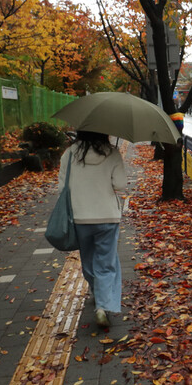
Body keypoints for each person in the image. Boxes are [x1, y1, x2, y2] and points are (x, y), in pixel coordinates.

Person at [58, 131, 128, 328]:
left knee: (88, 258)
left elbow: (62, 187)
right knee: (106, 261)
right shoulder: (112, 153)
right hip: (107, 216)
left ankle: (97, 294)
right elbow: (120, 185)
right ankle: (102, 306)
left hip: (80, 217)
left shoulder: (69, 154)